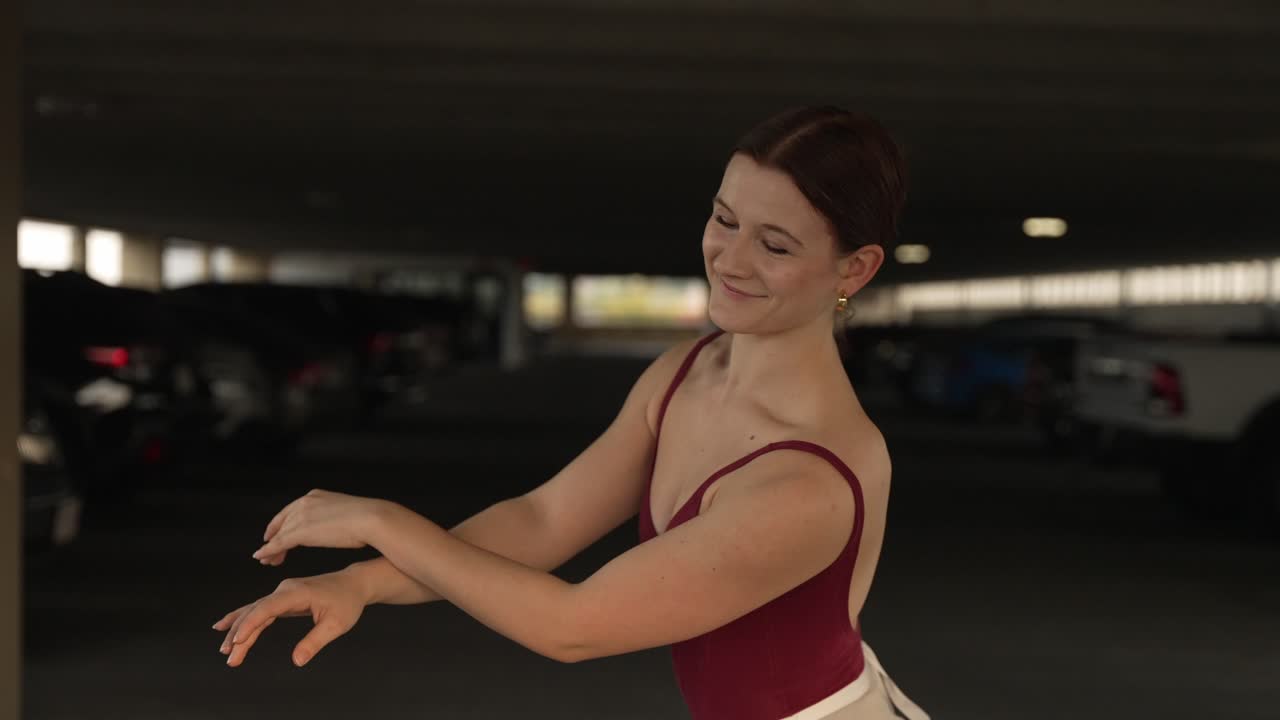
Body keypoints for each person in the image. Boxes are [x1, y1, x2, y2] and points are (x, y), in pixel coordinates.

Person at [212, 106, 929, 720]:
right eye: (724, 219)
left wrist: (381, 520)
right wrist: (360, 582)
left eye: (774, 245)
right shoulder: (686, 370)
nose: (730, 259)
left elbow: (573, 626)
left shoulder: (811, 481)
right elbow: (544, 520)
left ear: (855, 269)